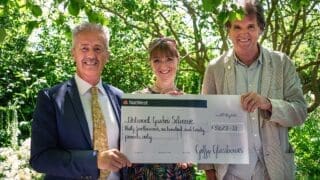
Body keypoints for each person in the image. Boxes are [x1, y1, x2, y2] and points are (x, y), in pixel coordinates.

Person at [200, 1, 307, 180]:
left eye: (251, 26)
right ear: (228, 30)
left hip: (274, 172)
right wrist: (210, 172)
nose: (244, 33)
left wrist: (269, 104)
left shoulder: (282, 63)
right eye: (237, 27)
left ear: (261, 29)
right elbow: (205, 123)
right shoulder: (214, 68)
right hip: (230, 173)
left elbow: (300, 112)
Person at [30, 22, 131, 179]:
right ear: (73, 54)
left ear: (107, 55)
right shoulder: (51, 99)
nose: (91, 55)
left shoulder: (120, 98)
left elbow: (139, 144)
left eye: (98, 48)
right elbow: (40, 159)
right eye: (84, 48)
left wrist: (170, 99)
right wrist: (94, 161)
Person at [126, 37, 195, 179]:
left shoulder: (190, 102)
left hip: (179, 174)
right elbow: (130, 144)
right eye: (157, 60)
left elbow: (196, 142)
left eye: (169, 59)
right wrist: (161, 104)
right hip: (145, 174)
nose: (163, 65)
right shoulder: (136, 98)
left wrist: (190, 154)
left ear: (178, 60)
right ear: (150, 63)